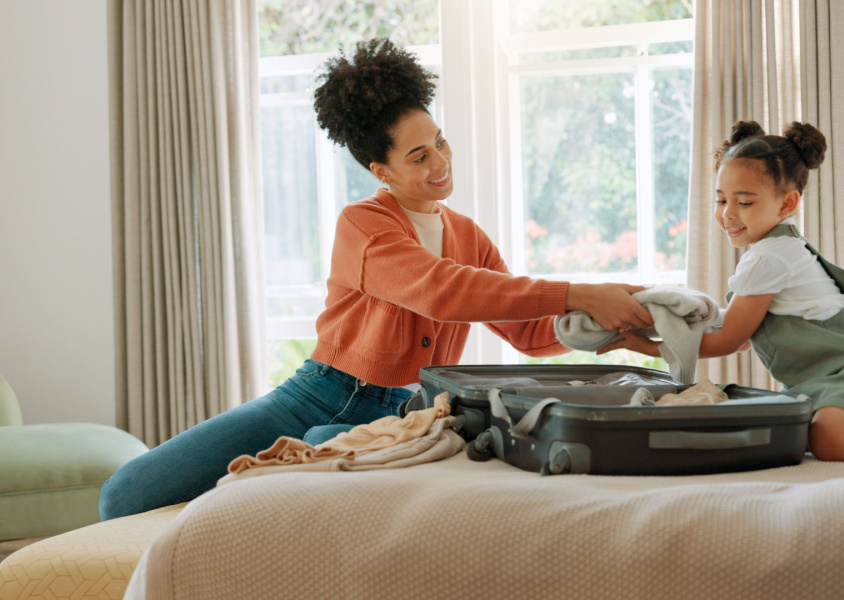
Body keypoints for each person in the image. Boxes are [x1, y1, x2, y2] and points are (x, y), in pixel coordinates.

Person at [99, 38, 653, 520]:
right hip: (317, 395)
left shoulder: (469, 235)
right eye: (419, 155)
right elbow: (441, 288)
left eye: (440, 140)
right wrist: (579, 291)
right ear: (382, 171)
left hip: (409, 416)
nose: (440, 160)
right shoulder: (364, 224)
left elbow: (529, 333)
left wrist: (615, 328)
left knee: (313, 467)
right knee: (123, 496)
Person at [599, 120, 844, 461]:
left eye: (745, 203)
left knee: (833, 443)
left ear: (786, 204)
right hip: (821, 383)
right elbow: (742, 336)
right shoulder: (772, 250)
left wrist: (650, 348)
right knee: (791, 436)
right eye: (721, 199)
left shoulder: (771, 257)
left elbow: (729, 341)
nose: (727, 214)